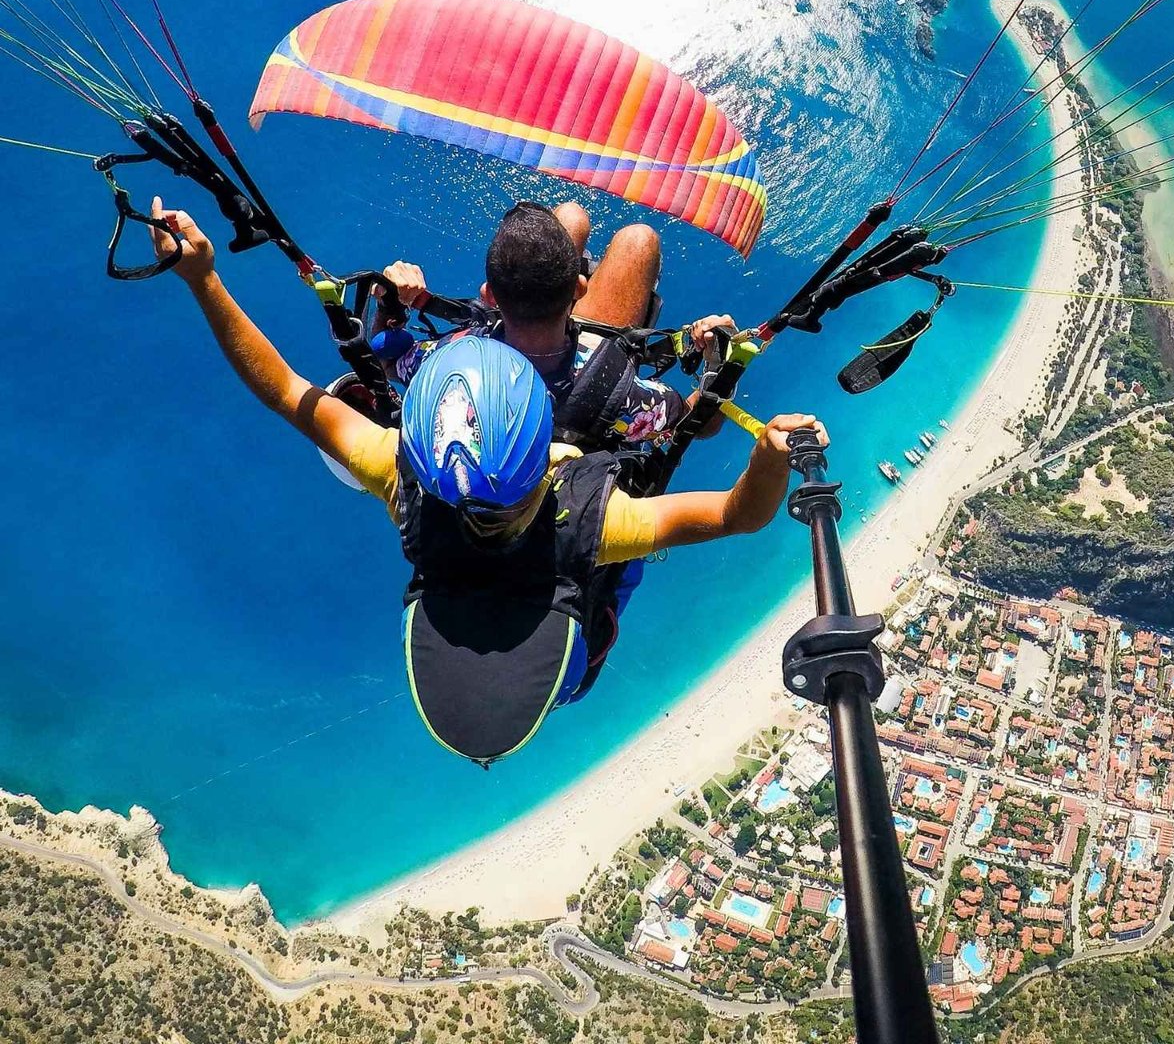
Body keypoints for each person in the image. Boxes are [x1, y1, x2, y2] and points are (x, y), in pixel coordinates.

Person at [149, 198, 827, 766]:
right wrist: (751, 428)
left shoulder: (406, 474)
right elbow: (734, 504)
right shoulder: (596, 519)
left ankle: (566, 251)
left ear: (486, 299)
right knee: (631, 240)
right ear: (550, 452)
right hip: (585, 515)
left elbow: (285, 390)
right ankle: (580, 263)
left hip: (528, 604)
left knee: (566, 219)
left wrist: (203, 279)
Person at [381, 199, 734, 455]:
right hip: (587, 376)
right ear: (580, 288)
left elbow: (387, 360)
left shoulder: (449, 358)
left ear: (489, 296)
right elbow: (697, 423)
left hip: (534, 362)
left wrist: (390, 300)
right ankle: (557, 277)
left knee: (570, 217)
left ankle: (544, 273)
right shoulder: (623, 396)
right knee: (638, 241)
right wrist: (719, 363)